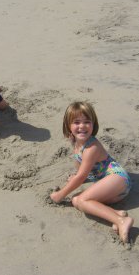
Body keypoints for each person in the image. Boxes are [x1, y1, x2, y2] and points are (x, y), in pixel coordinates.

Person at [50, 101, 133, 243]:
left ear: (93, 125)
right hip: (109, 186)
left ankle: (121, 221)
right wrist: (76, 175)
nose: (82, 126)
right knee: (76, 201)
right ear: (68, 126)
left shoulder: (91, 147)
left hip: (117, 178)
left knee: (81, 199)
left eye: (87, 122)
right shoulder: (75, 141)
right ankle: (116, 213)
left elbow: (81, 176)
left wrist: (60, 194)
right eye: (76, 122)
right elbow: (79, 164)